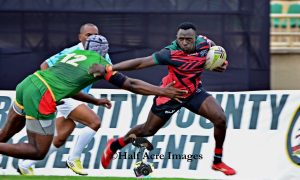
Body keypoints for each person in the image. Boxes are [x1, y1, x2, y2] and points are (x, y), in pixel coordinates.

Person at [0, 35, 187, 176]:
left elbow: (68, 85)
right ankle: (71, 160)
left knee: (7, 132)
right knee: (38, 151)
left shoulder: (74, 54)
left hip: (28, 84)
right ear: (104, 51)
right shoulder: (100, 64)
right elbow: (131, 84)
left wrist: (95, 101)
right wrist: (161, 91)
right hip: (42, 95)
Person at [99, 22, 236, 175]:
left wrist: (220, 63)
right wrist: (111, 68)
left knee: (220, 118)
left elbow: (216, 52)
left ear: (195, 38)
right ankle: (114, 146)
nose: (184, 42)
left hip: (194, 92)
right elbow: (140, 63)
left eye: (188, 39)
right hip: (170, 94)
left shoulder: (205, 43)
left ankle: (217, 161)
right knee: (147, 130)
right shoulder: (169, 53)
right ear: (176, 38)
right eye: (181, 39)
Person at [17, 23, 113, 176]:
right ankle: (74, 159)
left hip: (75, 95)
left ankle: (25, 164)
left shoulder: (101, 52)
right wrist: (53, 88)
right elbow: (45, 65)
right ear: (80, 37)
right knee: (94, 122)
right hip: (66, 93)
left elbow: (111, 73)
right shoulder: (71, 51)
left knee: (61, 136)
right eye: (88, 35)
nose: (92, 38)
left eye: (95, 35)